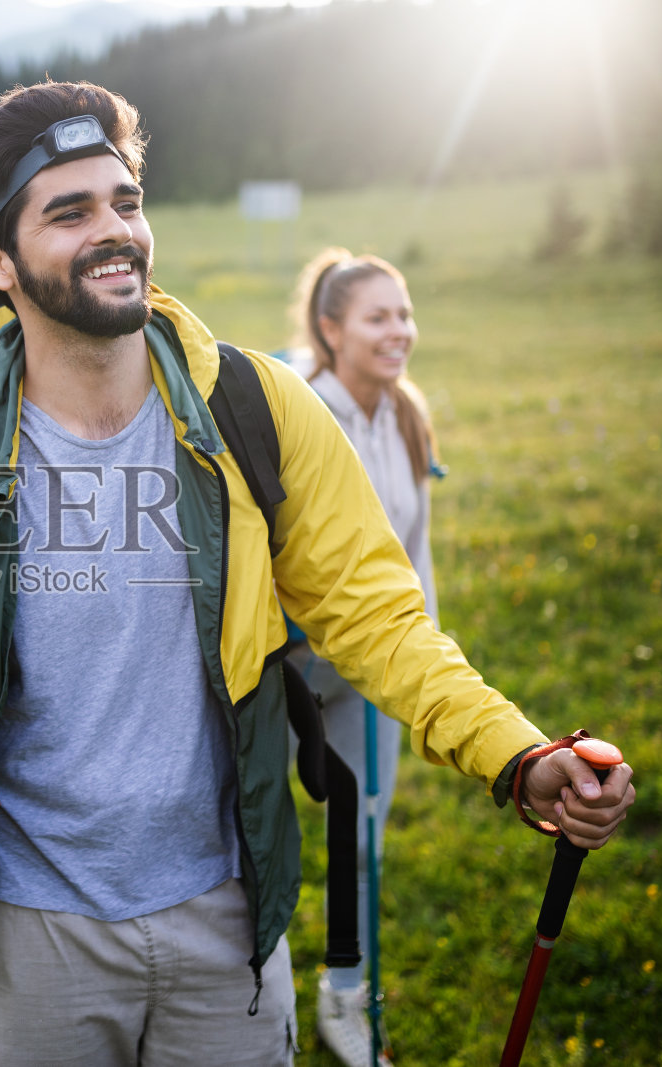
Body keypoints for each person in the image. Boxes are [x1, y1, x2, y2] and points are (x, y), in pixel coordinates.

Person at [0, 80, 636, 1065]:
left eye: (124, 201)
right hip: (25, 930)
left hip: (225, 915)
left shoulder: (257, 405)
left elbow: (378, 617)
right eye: (68, 212)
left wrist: (516, 753)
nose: (113, 230)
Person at [284, 248, 442, 1066]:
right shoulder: (299, 413)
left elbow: (415, 562)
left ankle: (344, 1000)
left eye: (404, 314)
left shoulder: (407, 414)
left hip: (366, 672)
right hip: (280, 672)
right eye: (379, 317)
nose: (399, 331)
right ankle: (252, 999)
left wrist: (424, 669)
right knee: (252, 837)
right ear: (330, 328)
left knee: (362, 842)